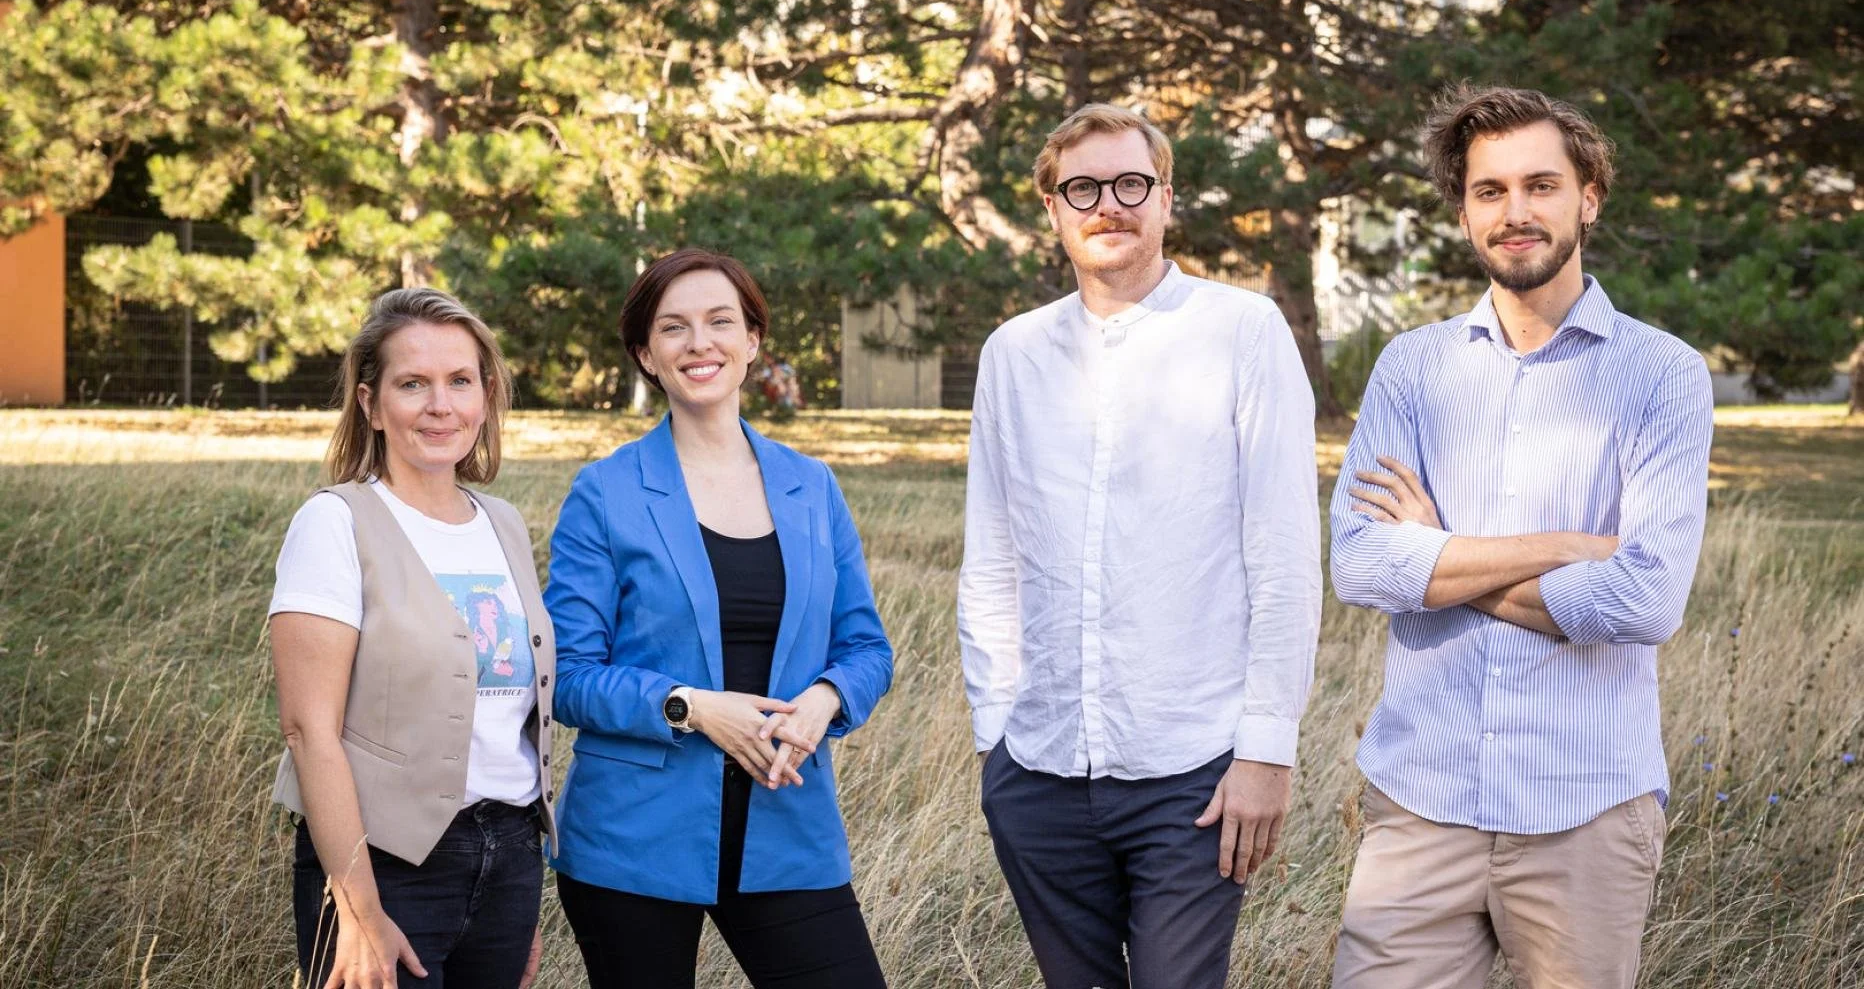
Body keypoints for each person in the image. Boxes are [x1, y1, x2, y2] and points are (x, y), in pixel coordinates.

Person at [1328, 85, 1713, 989]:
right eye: (1490, 191)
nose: (1516, 212)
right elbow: (1360, 562)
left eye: (1541, 185)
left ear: (1589, 197)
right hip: (1420, 806)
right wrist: (1569, 546)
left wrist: (1441, 555)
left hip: (1586, 812)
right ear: (1463, 212)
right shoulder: (1411, 367)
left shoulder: (1663, 375)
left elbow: (1645, 599)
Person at [957, 103, 1323, 989]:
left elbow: (1283, 557)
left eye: (1130, 184)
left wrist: (1266, 750)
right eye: (1082, 188)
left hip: (1192, 771)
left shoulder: (1244, 330)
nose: (1108, 205)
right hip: (1040, 768)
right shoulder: (1013, 354)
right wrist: (995, 734)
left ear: (1166, 198)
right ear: (1053, 208)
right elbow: (992, 555)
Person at [545, 248, 893, 989]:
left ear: (753, 340)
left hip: (787, 828)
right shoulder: (605, 491)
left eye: (720, 322)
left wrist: (824, 698)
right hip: (633, 838)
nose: (699, 343)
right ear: (647, 354)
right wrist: (692, 707)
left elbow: (866, 647)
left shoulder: (812, 486)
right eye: (674, 327)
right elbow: (567, 675)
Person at [269, 288, 555, 989]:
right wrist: (358, 907)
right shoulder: (335, 521)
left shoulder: (503, 522)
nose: (440, 405)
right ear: (370, 404)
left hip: (509, 857)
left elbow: (508, 723)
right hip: (387, 863)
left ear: (485, 396)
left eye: (460, 381)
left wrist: (512, 898)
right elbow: (310, 731)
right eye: (412, 384)